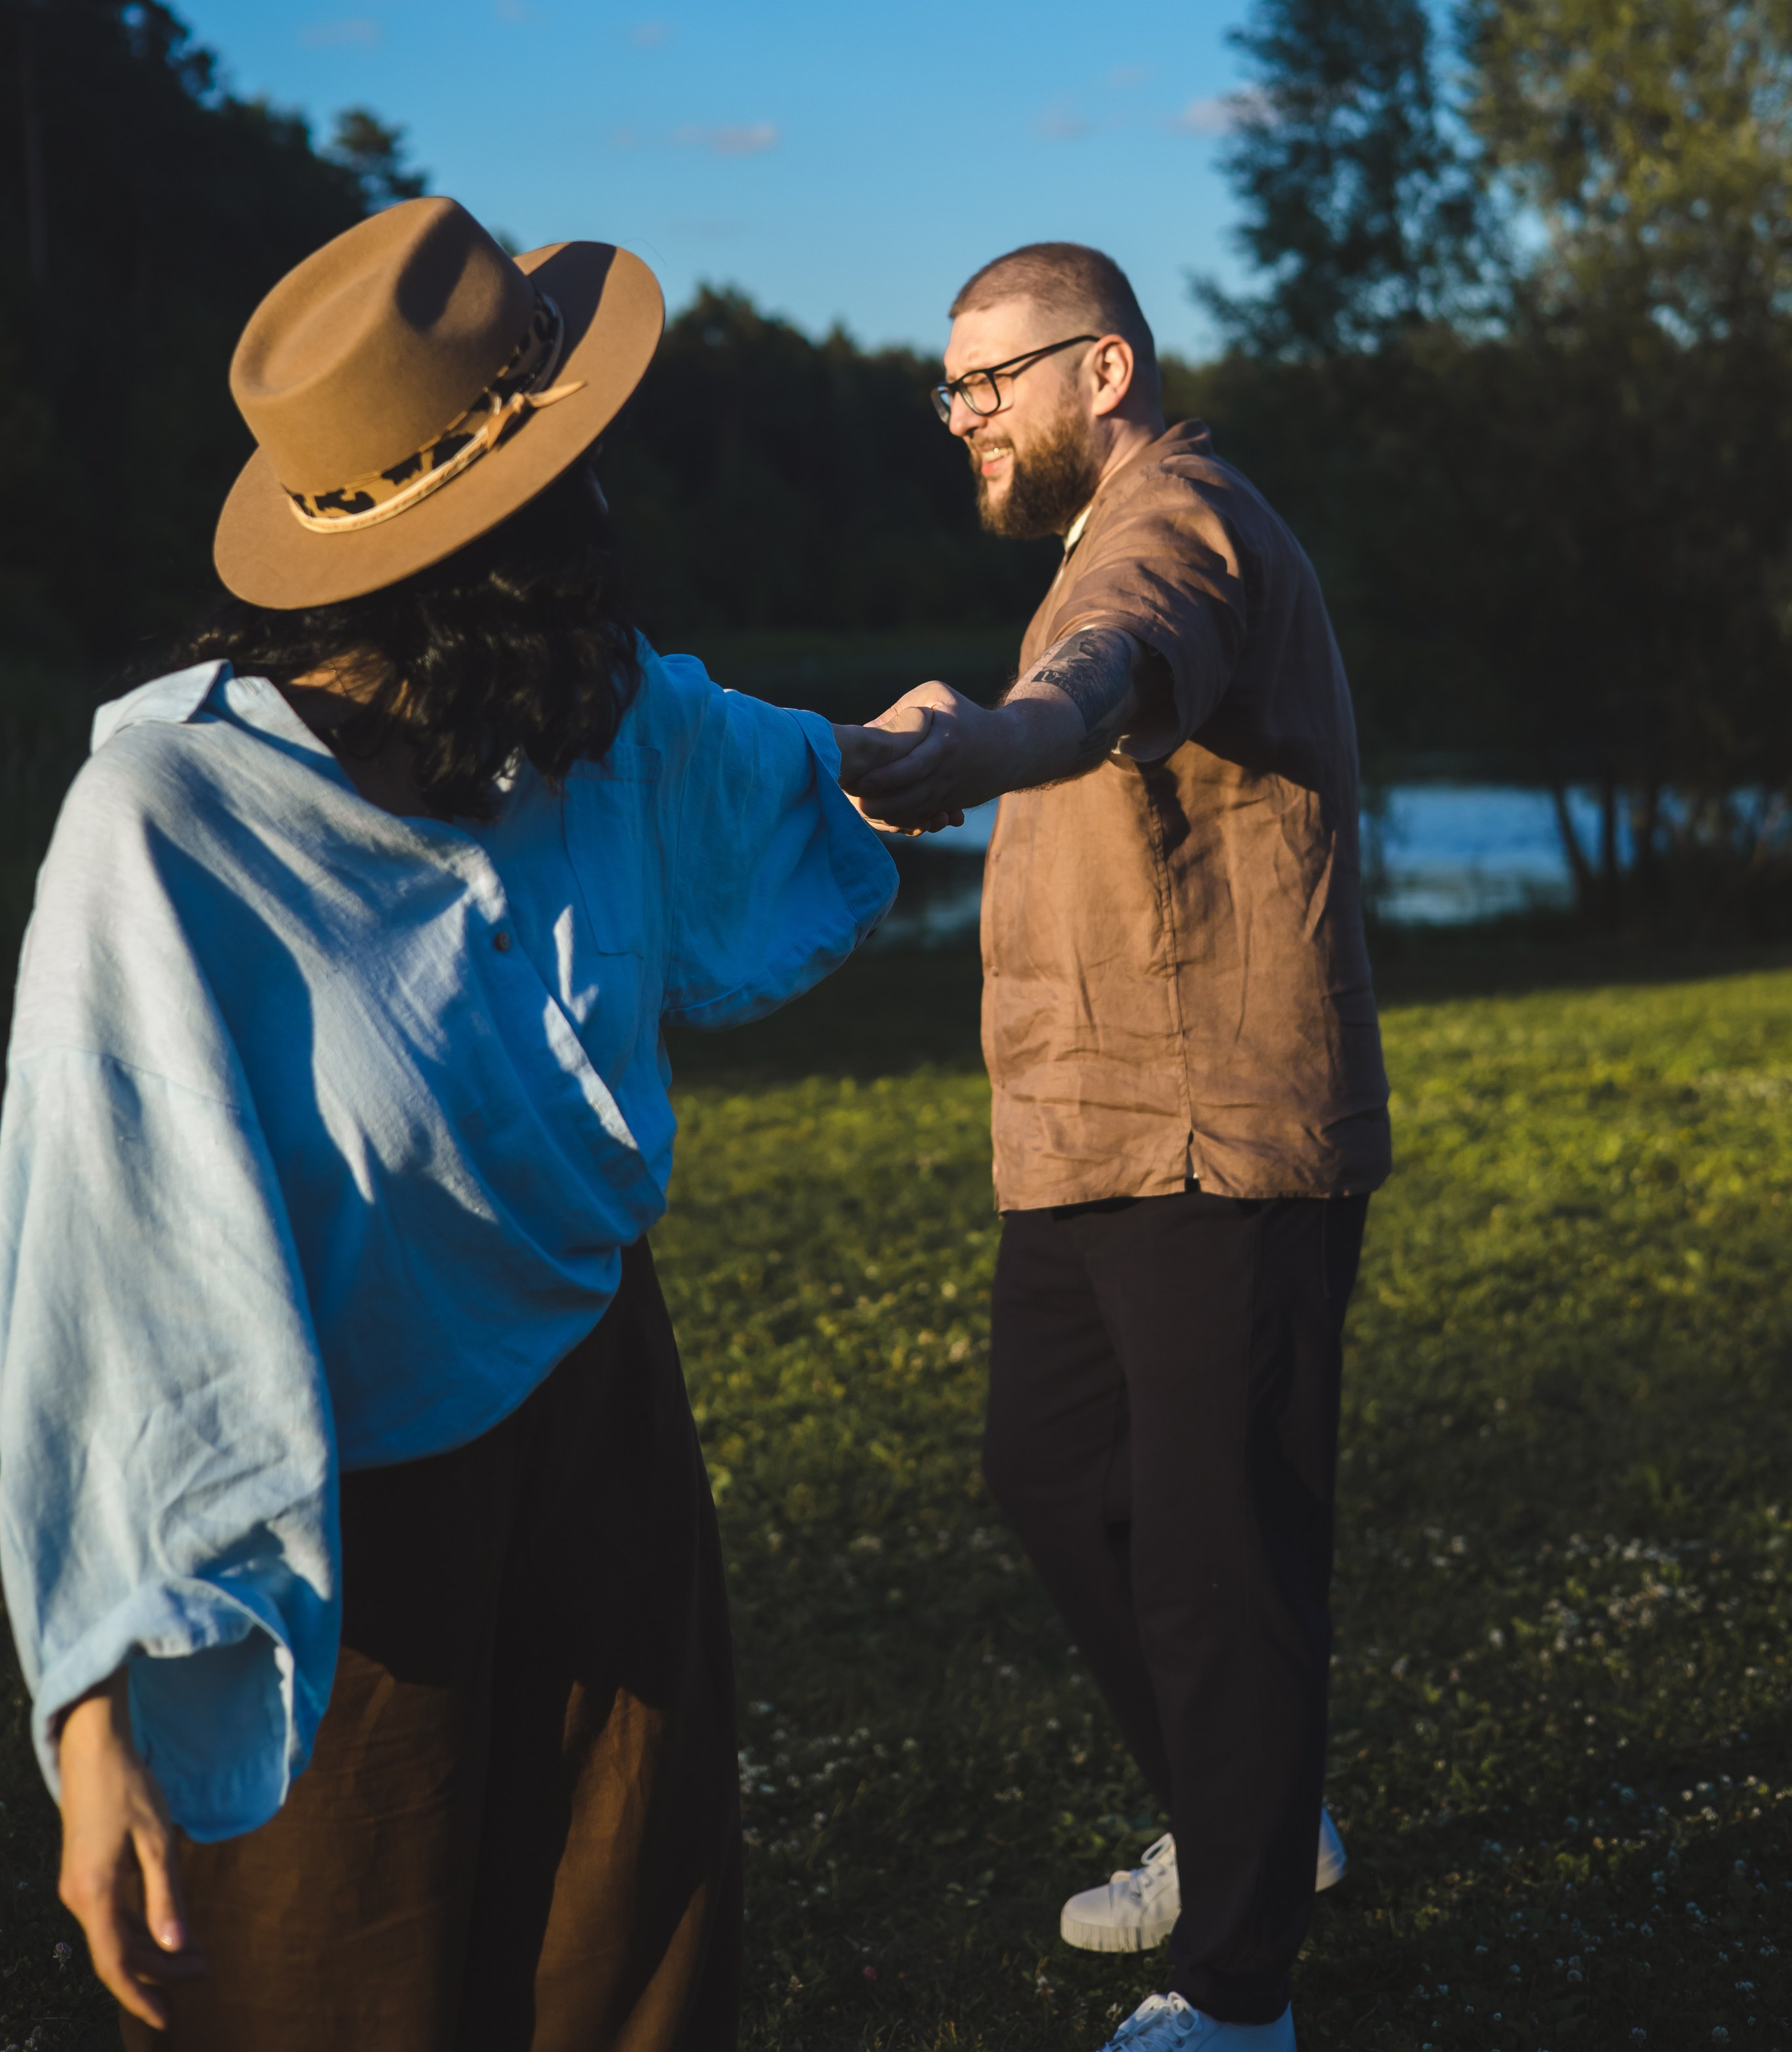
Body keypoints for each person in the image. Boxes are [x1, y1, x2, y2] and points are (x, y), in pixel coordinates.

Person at [0, 197, 913, 2051]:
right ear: (514, 533)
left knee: (631, 1967)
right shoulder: (172, 827)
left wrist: (973, 737)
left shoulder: (583, 720)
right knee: (346, 1991)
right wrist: (96, 1708)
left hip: (606, 1430)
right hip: (349, 1526)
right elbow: (101, 1255)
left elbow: (795, 766)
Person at [855, 242, 1392, 2052]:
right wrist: (967, 742)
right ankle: (1254, 1826)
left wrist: (1004, 735)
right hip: (1084, 1133)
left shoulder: (1185, 519)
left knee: (1211, 1547)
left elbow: (1115, 672)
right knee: (1051, 1469)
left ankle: (1239, 1998)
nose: (963, 421)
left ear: (1105, 370)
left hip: (1213, 1130)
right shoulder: (1104, 537)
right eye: (949, 393)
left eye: (990, 383)